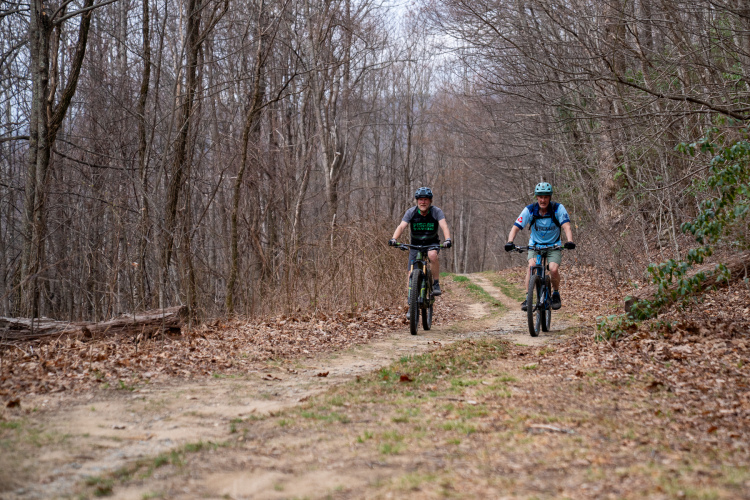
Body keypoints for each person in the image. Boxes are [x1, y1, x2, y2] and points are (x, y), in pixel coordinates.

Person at [504, 182, 575, 310]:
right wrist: (510, 242)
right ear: (537, 197)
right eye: (540, 197)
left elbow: (566, 226)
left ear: (550, 197)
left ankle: (556, 293)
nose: (543, 200)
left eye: (546, 197)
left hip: (554, 246)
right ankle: (528, 298)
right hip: (535, 246)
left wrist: (569, 241)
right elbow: (515, 227)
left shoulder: (558, 209)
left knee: (553, 269)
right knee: (531, 266)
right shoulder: (530, 210)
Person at [388, 187, 452, 296]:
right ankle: (411, 303)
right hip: (415, 245)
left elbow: (444, 226)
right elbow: (401, 226)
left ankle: (436, 283)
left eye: (426, 199)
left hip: (431, 243)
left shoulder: (436, 211)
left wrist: (448, 239)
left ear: (430, 201)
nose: (423, 202)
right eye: (420, 199)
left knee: (432, 255)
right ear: (417, 200)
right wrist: (394, 238)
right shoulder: (411, 212)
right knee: (410, 274)